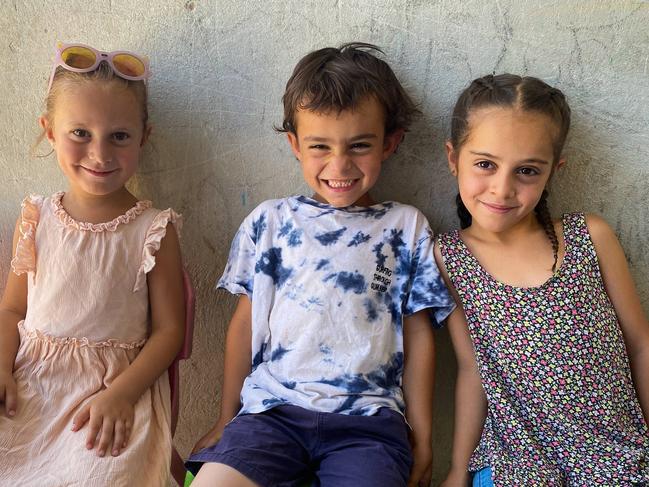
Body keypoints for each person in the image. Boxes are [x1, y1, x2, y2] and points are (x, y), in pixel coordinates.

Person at [187, 43, 455, 487]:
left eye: (359, 145)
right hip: (270, 415)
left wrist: (423, 440)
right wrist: (226, 418)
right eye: (320, 146)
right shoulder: (270, 223)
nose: (340, 165)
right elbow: (244, 324)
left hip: (368, 425)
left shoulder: (405, 228)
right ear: (294, 144)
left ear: (390, 142)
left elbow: (419, 335)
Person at [436, 74, 649, 486]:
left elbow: (641, 344)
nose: (502, 189)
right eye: (485, 164)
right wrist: (457, 471)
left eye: (527, 171)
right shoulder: (449, 257)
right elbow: (472, 370)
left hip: (617, 457)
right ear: (452, 157)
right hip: (516, 462)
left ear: (554, 171)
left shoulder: (590, 235)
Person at [0, 42, 185, 486]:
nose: (99, 154)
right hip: (31, 387)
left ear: (143, 136)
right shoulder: (36, 217)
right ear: (49, 131)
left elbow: (169, 331)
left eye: (118, 136)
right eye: (79, 133)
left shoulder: (153, 229)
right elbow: (12, 310)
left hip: (112, 394)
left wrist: (121, 394)